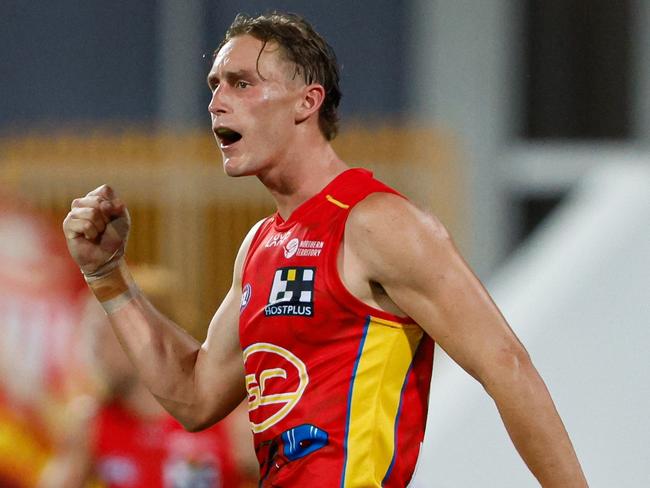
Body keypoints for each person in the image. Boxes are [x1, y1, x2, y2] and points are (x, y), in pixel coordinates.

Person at [62, 12, 588, 487]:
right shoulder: (260, 245)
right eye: (215, 84)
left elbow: (507, 367)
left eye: (242, 83)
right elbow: (195, 396)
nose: (216, 101)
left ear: (307, 102)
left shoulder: (378, 223)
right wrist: (108, 275)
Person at [38, 269, 255, 488]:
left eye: (103, 334)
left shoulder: (233, 424)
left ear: (144, 335)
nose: (94, 348)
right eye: (91, 335)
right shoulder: (91, 424)